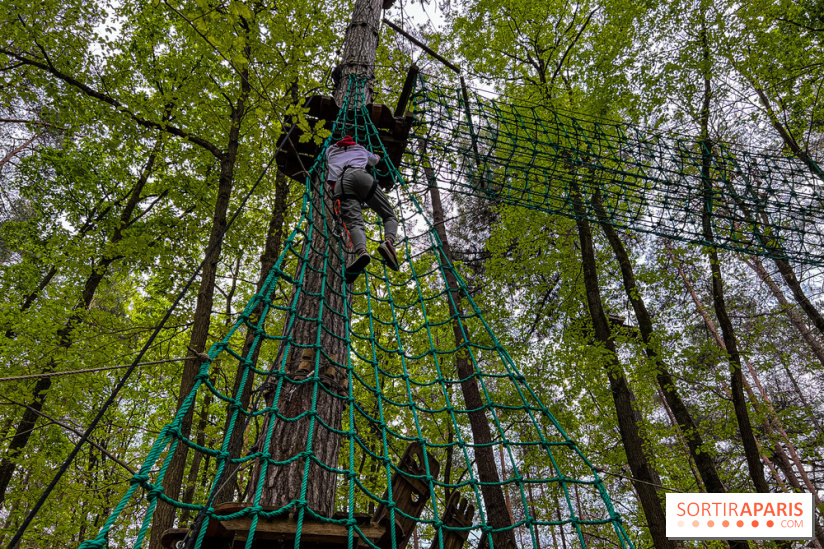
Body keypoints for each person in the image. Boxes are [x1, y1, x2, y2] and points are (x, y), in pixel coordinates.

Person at [325, 135, 399, 282]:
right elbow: (375, 160)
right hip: (360, 175)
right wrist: (377, 156)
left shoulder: (330, 150)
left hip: (341, 183)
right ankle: (388, 242)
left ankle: (362, 252)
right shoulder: (361, 149)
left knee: (354, 223)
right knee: (389, 216)